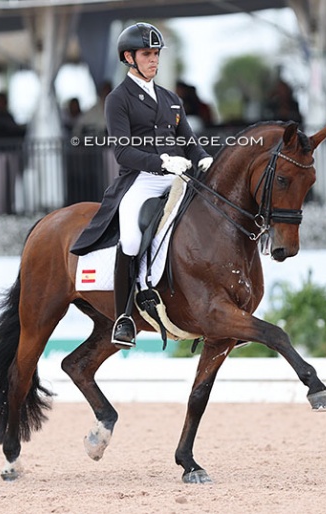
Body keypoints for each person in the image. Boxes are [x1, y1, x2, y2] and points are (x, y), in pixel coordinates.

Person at [70, 22, 213, 349]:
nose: (154, 60)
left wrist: (203, 158)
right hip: (142, 180)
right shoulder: (118, 99)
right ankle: (123, 318)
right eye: (147, 54)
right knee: (132, 239)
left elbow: (189, 142)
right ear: (129, 57)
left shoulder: (171, 99)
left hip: (179, 177)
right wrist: (162, 161)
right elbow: (123, 150)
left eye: (156, 54)